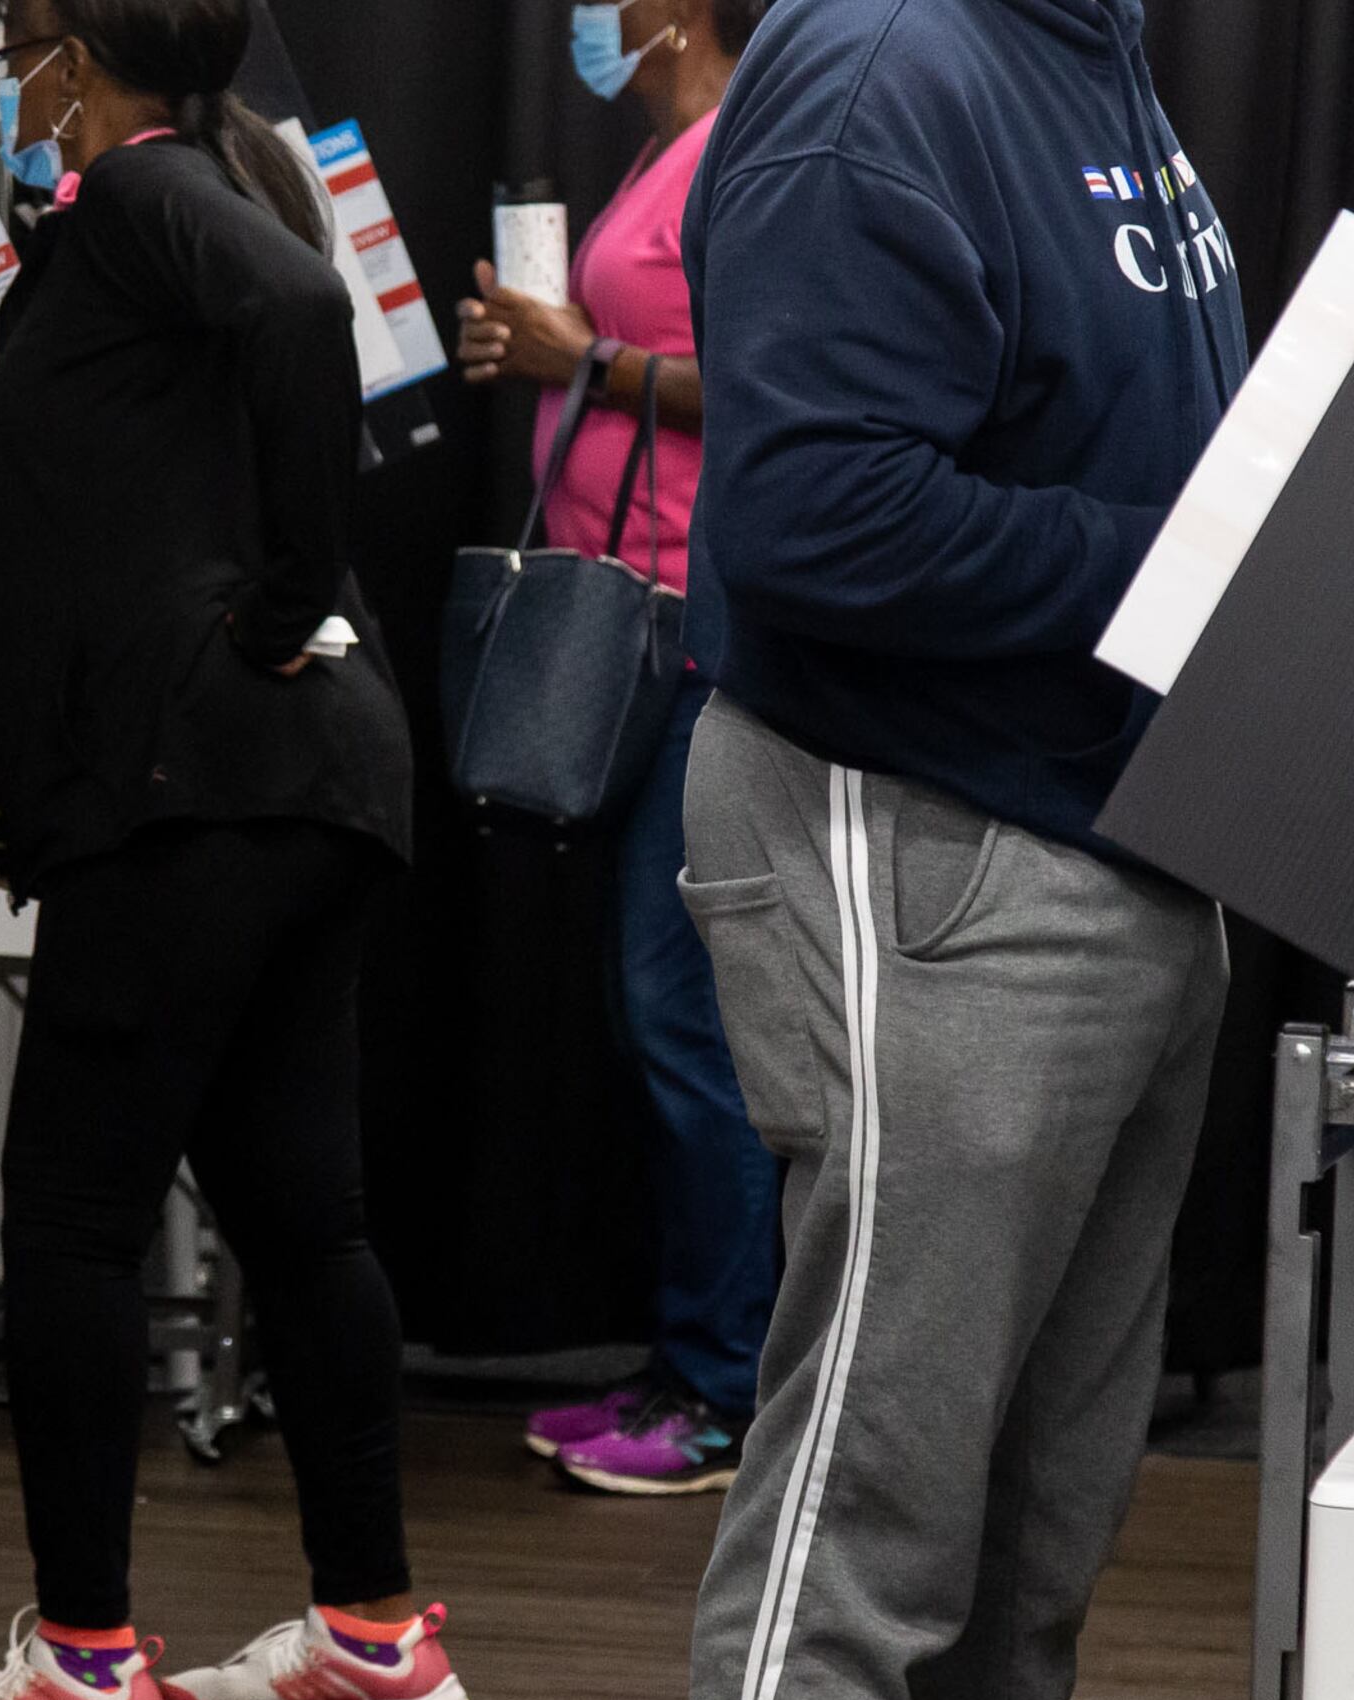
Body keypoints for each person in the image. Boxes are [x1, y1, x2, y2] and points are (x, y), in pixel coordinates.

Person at [641, 0, 1247, 1700]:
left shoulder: (1095, 59)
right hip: (927, 840)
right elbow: (812, 523)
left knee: (1038, 1502)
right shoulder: (890, 61)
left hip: (1115, 850)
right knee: (875, 1484)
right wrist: (1191, 570)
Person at [0, 0, 464, 1700]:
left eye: (9, 31)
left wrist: (283, 594)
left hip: (198, 786)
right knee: (303, 1215)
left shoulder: (142, 195)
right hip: (310, 783)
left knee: (65, 1219)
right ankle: (371, 1634)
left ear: (71, 50)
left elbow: (297, 310)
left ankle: (90, 1668)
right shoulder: (215, 183)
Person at [455, 0, 773, 1500]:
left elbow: (776, 390)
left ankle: (727, 1393)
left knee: (683, 1018)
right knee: (655, 1014)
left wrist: (589, 362)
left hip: (694, 640)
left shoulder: (733, 153)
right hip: (623, 637)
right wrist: (543, 355)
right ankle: (687, 1360)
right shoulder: (664, 153)